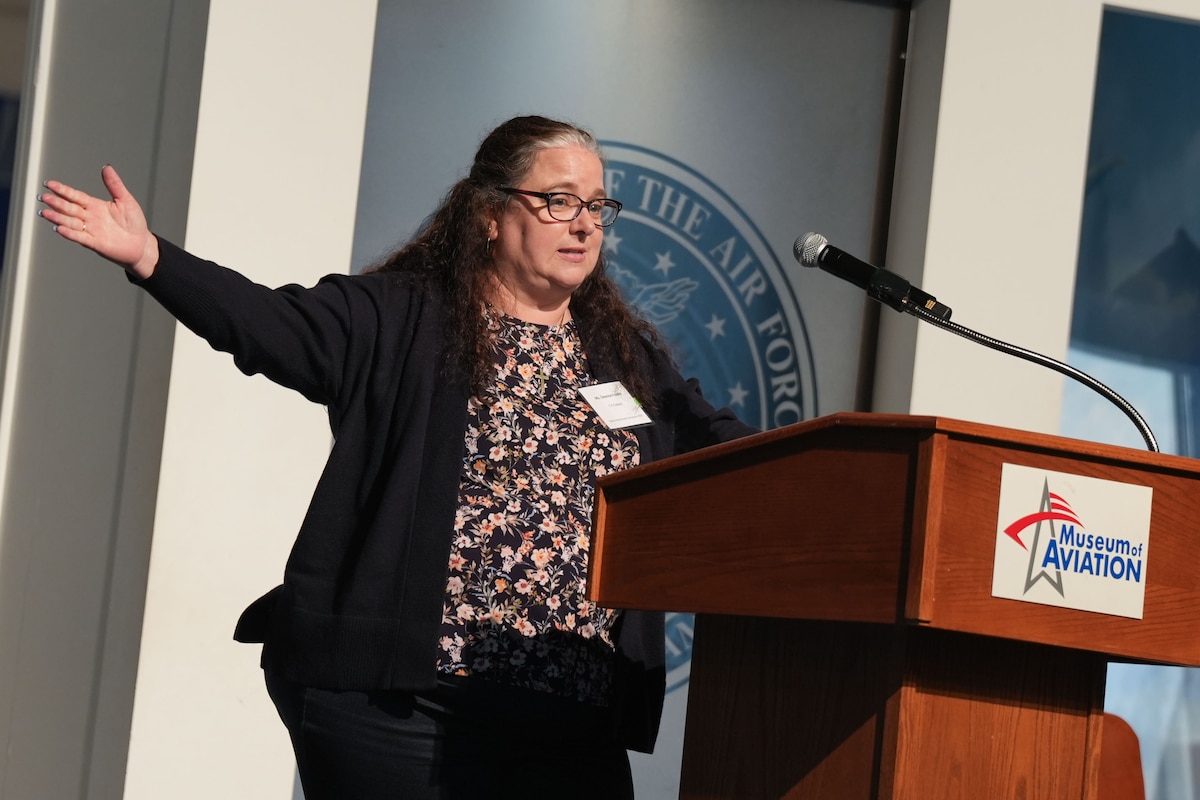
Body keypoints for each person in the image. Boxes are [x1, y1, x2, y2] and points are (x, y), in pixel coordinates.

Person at [38, 115, 756, 799]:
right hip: (406, 706)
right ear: (489, 213)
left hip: (571, 711)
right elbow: (266, 325)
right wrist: (151, 256)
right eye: (558, 200)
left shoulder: (624, 356)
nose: (585, 223)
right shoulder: (401, 317)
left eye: (598, 205)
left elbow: (729, 455)